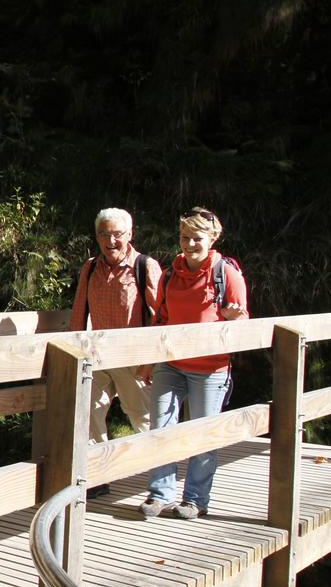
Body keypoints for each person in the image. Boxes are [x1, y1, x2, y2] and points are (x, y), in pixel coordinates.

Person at [139, 206, 249, 520]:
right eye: (185, 237)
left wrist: (233, 318)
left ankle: (196, 499)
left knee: (203, 434)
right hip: (170, 364)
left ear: (212, 238)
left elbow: (244, 324)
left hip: (210, 369)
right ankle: (160, 494)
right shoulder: (171, 273)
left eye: (196, 239)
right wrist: (150, 360)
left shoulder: (225, 272)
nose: (189, 245)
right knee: (161, 428)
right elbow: (161, 319)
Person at [71, 208, 161, 498]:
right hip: (97, 357)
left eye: (117, 234)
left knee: (142, 418)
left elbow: (160, 317)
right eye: (104, 234)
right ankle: (98, 476)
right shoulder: (90, 267)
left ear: (130, 235)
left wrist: (150, 361)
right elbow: (78, 312)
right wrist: (76, 352)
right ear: (97, 236)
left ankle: (161, 482)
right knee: (88, 414)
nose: (111, 240)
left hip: (133, 357)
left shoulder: (145, 266)